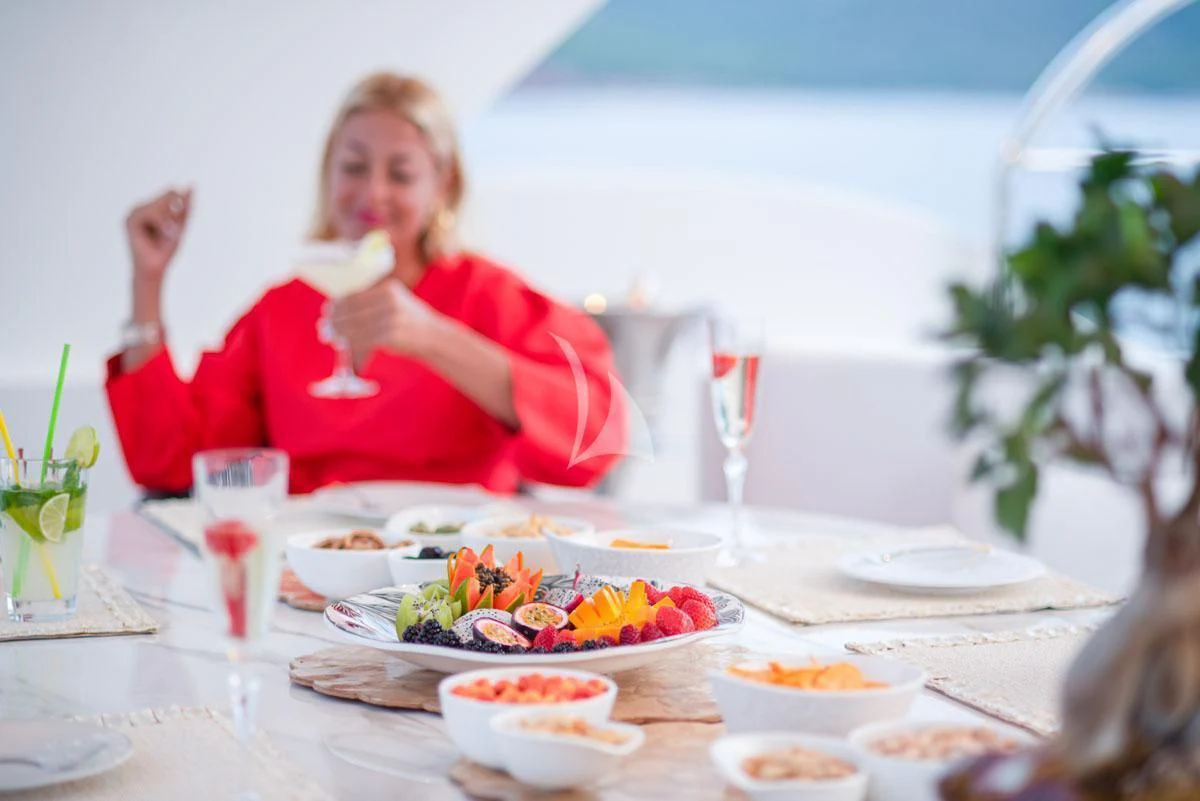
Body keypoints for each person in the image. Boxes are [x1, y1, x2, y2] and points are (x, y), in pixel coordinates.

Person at [106, 72, 625, 495]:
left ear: (443, 186)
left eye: (400, 175)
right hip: (311, 571)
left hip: (454, 579)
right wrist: (147, 282)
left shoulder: (487, 294)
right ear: (328, 175)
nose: (372, 192)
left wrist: (433, 337)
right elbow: (170, 464)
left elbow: (595, 440)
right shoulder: (282, 309)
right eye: (353, 167)